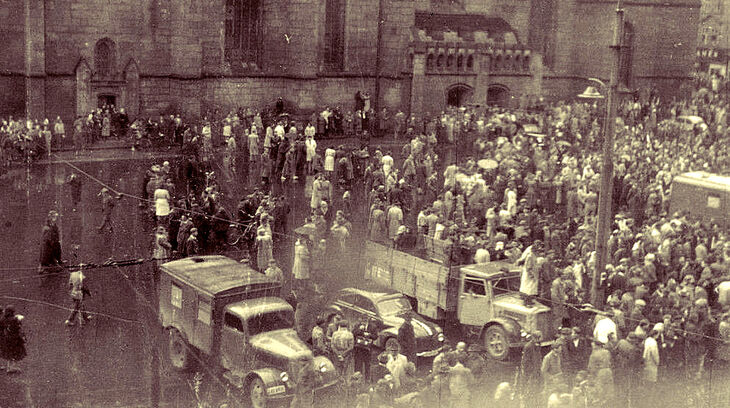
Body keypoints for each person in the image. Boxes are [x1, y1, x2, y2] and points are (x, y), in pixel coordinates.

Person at [0, 306, 26, 373]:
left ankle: (9, 367)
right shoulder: (14, 320)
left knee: (9, 353)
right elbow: (18, 329)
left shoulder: (3, 319)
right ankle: (12, 367)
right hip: (15, 339)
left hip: (6, 339)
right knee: (15, 353)